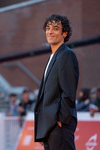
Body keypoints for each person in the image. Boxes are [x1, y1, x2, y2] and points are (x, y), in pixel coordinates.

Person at [34, 14, 79, 150]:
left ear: (64, 33)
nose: (50, 32)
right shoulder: (54, 56)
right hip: (49, 127)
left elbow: (68, 91)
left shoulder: (67, 54)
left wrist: (61, 120)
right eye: (48, 28)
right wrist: (43, 129)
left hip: (59, 126)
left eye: (55, 28)